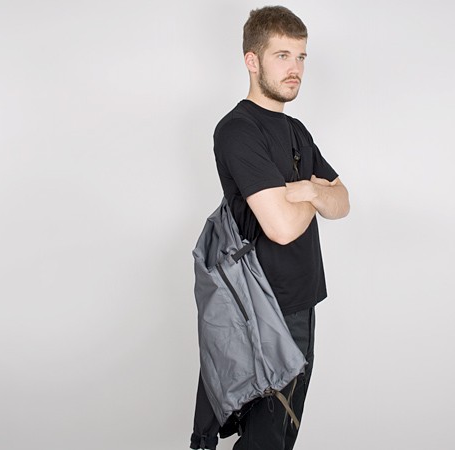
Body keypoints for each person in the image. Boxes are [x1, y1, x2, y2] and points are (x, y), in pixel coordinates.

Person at [190, 6, 350, 450]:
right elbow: (280, 228)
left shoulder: (297, 130)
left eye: (301, 57)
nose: (295, 68)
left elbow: (342, 202)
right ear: (252, 60)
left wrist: (307, 191)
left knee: (281, 437)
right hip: (261, 313)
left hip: (301, 304)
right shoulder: (238, 130)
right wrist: (315, 193)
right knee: (265, 441)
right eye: (282, 55)